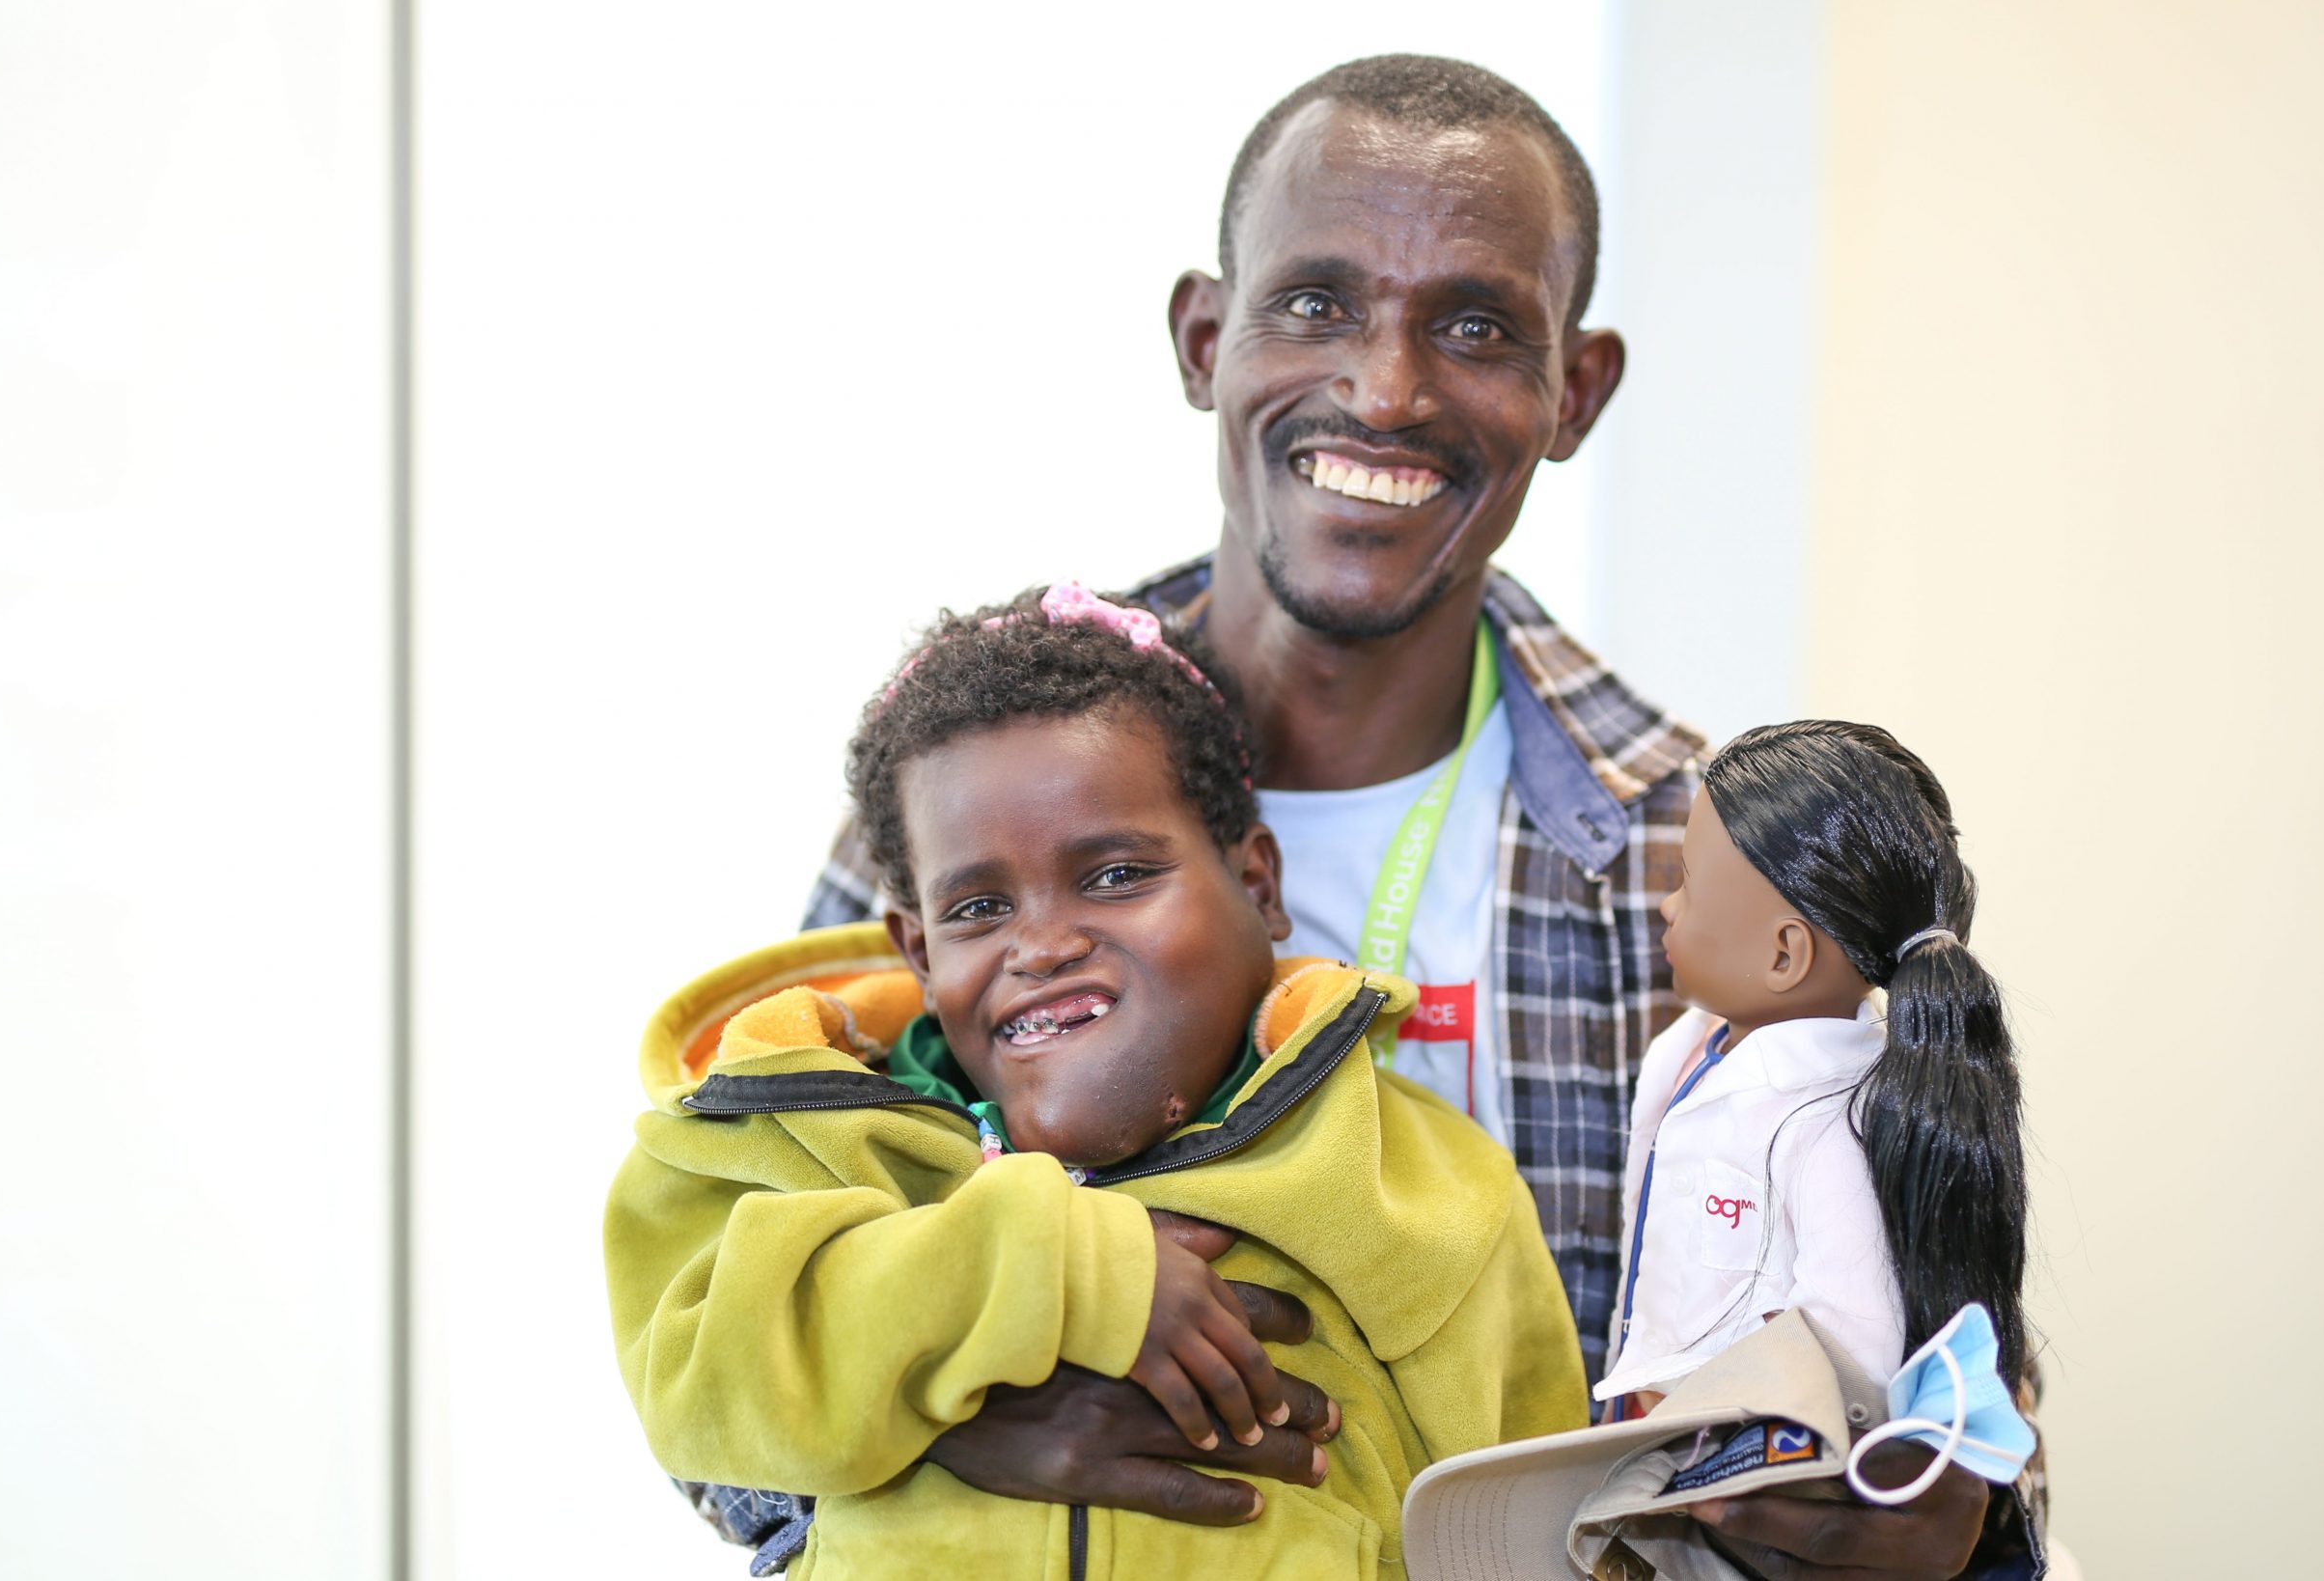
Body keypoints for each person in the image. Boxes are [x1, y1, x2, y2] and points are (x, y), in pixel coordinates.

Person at [735, 53, 2039, 1580]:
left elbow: (1945, 1396)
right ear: (1204, 340)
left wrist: (1942, 1540)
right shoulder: (962, 804)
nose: (1387, 387)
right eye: (1315, 305)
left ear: (1577, 391)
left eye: (1477, 325)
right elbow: (730, 1330)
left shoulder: (1713, 861)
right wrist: (923, 1444)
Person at [606, 584, 1590, 1577]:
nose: (1044, 943)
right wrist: (1060, 1269)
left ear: (1257, 884)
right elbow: (701, 1383)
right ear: (917, 952)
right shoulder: (799, 1139)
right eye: (980, 905)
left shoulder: (1418, 1182)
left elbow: (1525, 1527)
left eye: (1116, 874)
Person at [1595, 721, 2029, 1426]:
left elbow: (1853, 1354)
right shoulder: (1684, 1055)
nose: (1667, 907)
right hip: (1641, 1437)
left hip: (1738, 1475)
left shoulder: (1834, 1127)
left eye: (1689, 888)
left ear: (1784, 955)